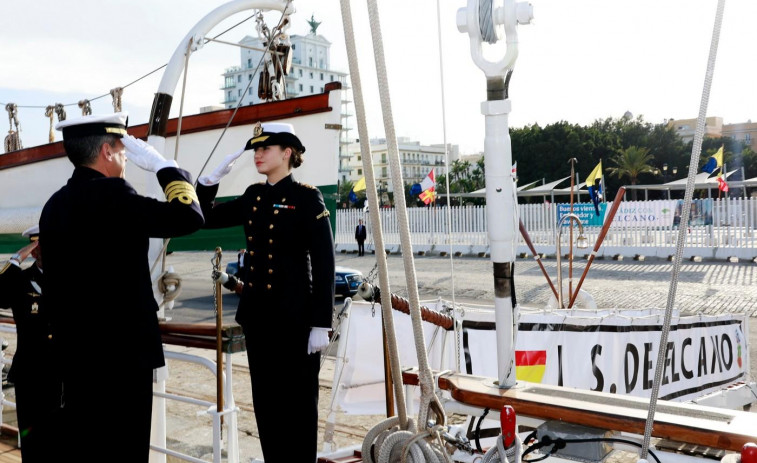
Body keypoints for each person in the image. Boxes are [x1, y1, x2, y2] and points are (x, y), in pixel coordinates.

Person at [39, 112, 204, 461]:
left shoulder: (54, 206)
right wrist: (164, 167)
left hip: (76, 356)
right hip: (123, 360)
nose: (128, 155)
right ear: (106, 151)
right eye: (123, 147)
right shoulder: (115, 197)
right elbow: (189, 216)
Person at [196, 122, 335, 462]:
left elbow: (325, 261)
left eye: (265, 148)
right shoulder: (253, 197)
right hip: (259, 320)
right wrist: (207, 183)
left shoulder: (306, 197)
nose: (257, 154)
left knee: (299, 409)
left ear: (287, 153)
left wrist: (321, 322)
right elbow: (202, 216)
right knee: (267, 407)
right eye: (255, 149)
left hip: (296, 322)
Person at [0, 225, 60, 461]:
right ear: (34, 251)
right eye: (45, 247)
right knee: (32, 440)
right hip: (30, 374)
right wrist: (15, 260)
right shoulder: (21, 280)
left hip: (62, 373)